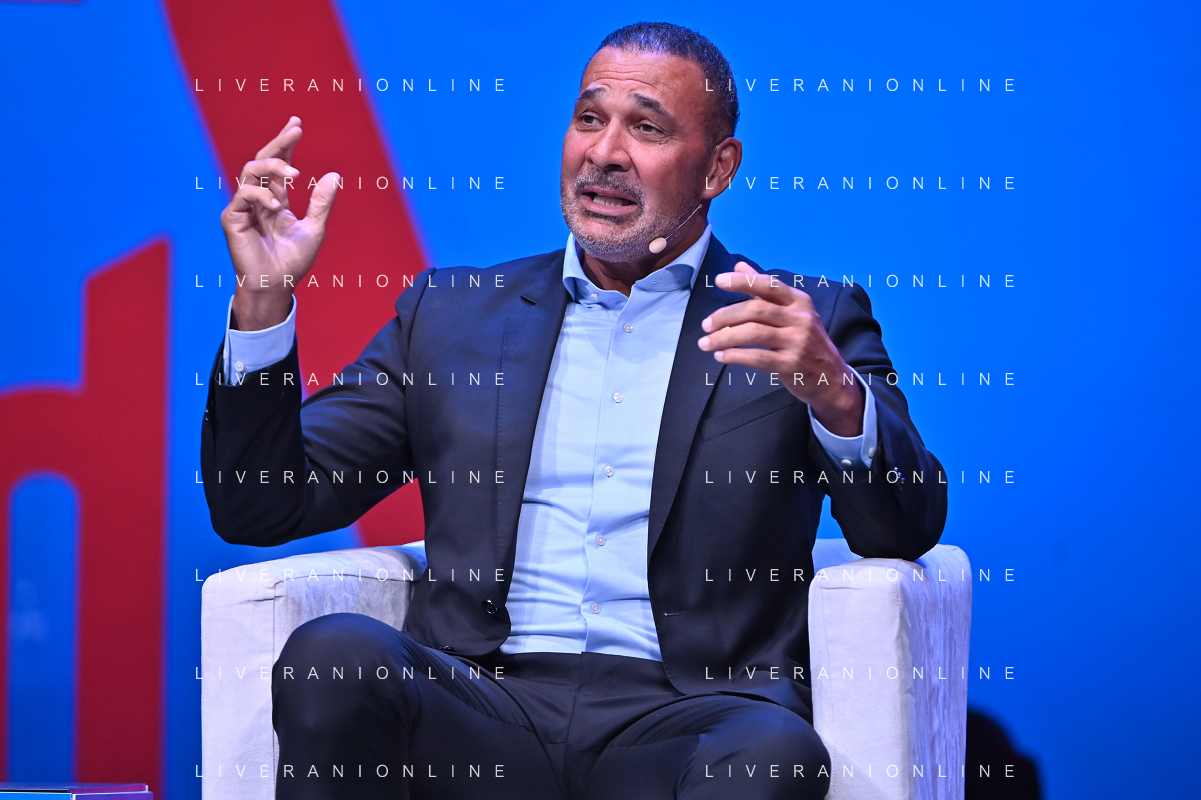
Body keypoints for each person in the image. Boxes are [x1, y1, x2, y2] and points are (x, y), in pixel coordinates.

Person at [201, 21, 946, 800]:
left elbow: (902, 530)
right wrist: (263, 300)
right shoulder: (453, 315)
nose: (605, 153)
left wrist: (834, 392)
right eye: (589, 118)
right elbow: (261, 504)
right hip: (482, 706)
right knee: (333, 659)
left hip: (689, 719)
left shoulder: (794, 322)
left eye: (647, 128)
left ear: (717, 168)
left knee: (771, 754)